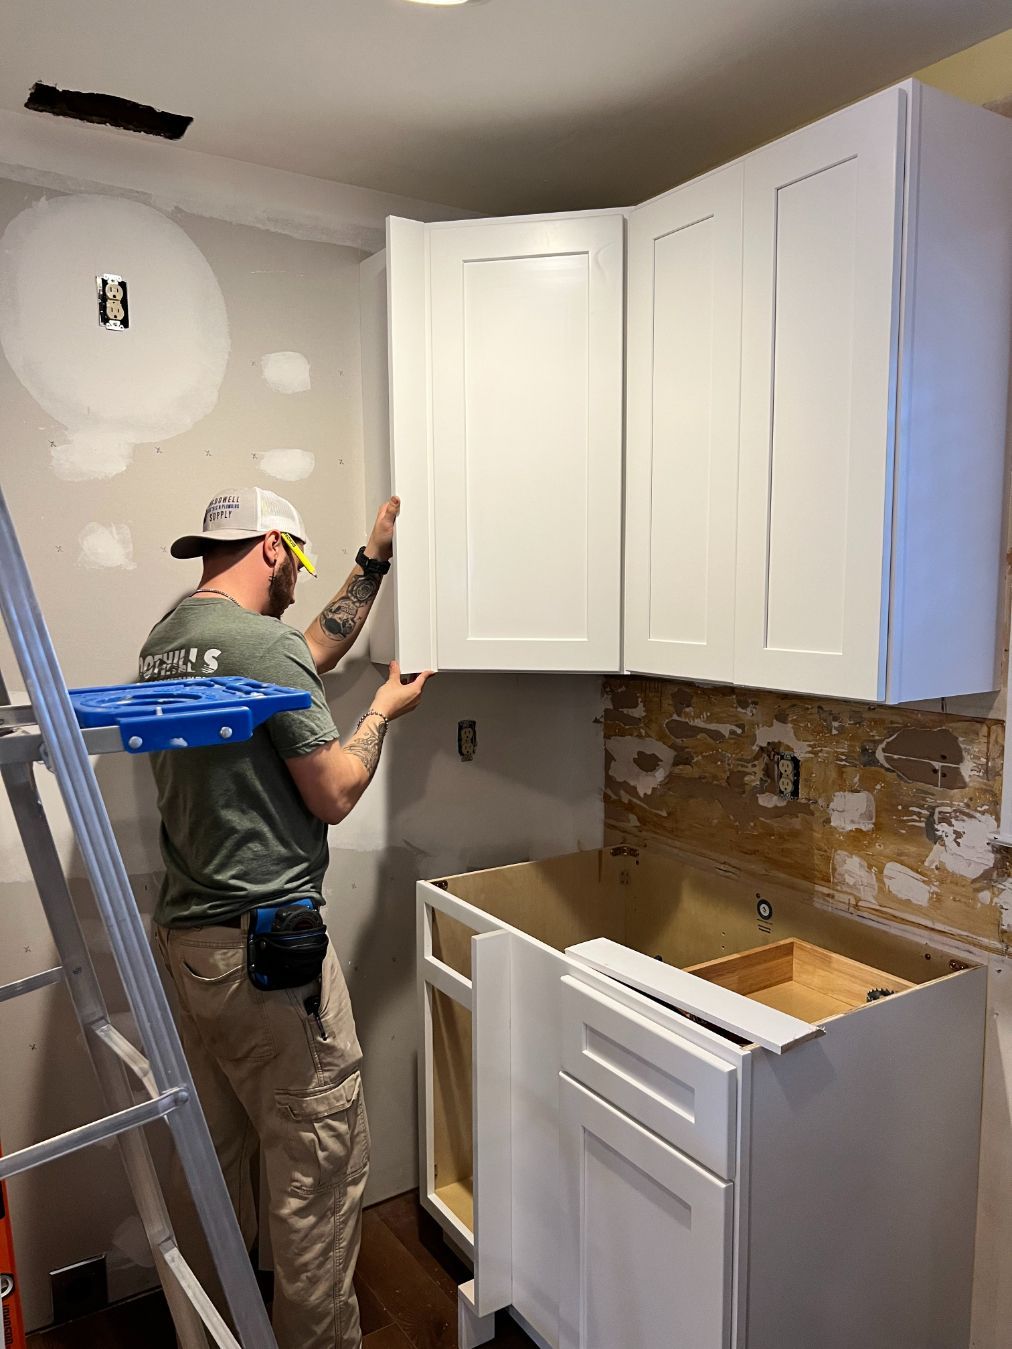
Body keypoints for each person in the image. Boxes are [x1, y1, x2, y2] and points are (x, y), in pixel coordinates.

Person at [139, 487, 431, 1349]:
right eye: (297, 565)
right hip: (269, 961)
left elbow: (305, 651)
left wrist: (371, 558)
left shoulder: (169, 642)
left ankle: (224, 1328)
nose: (300, 584)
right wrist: (382, 712)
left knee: (228, 1159)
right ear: (272, 547)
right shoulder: (260, 645)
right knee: (317, 1170)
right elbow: (336, 790)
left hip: (191, 951)